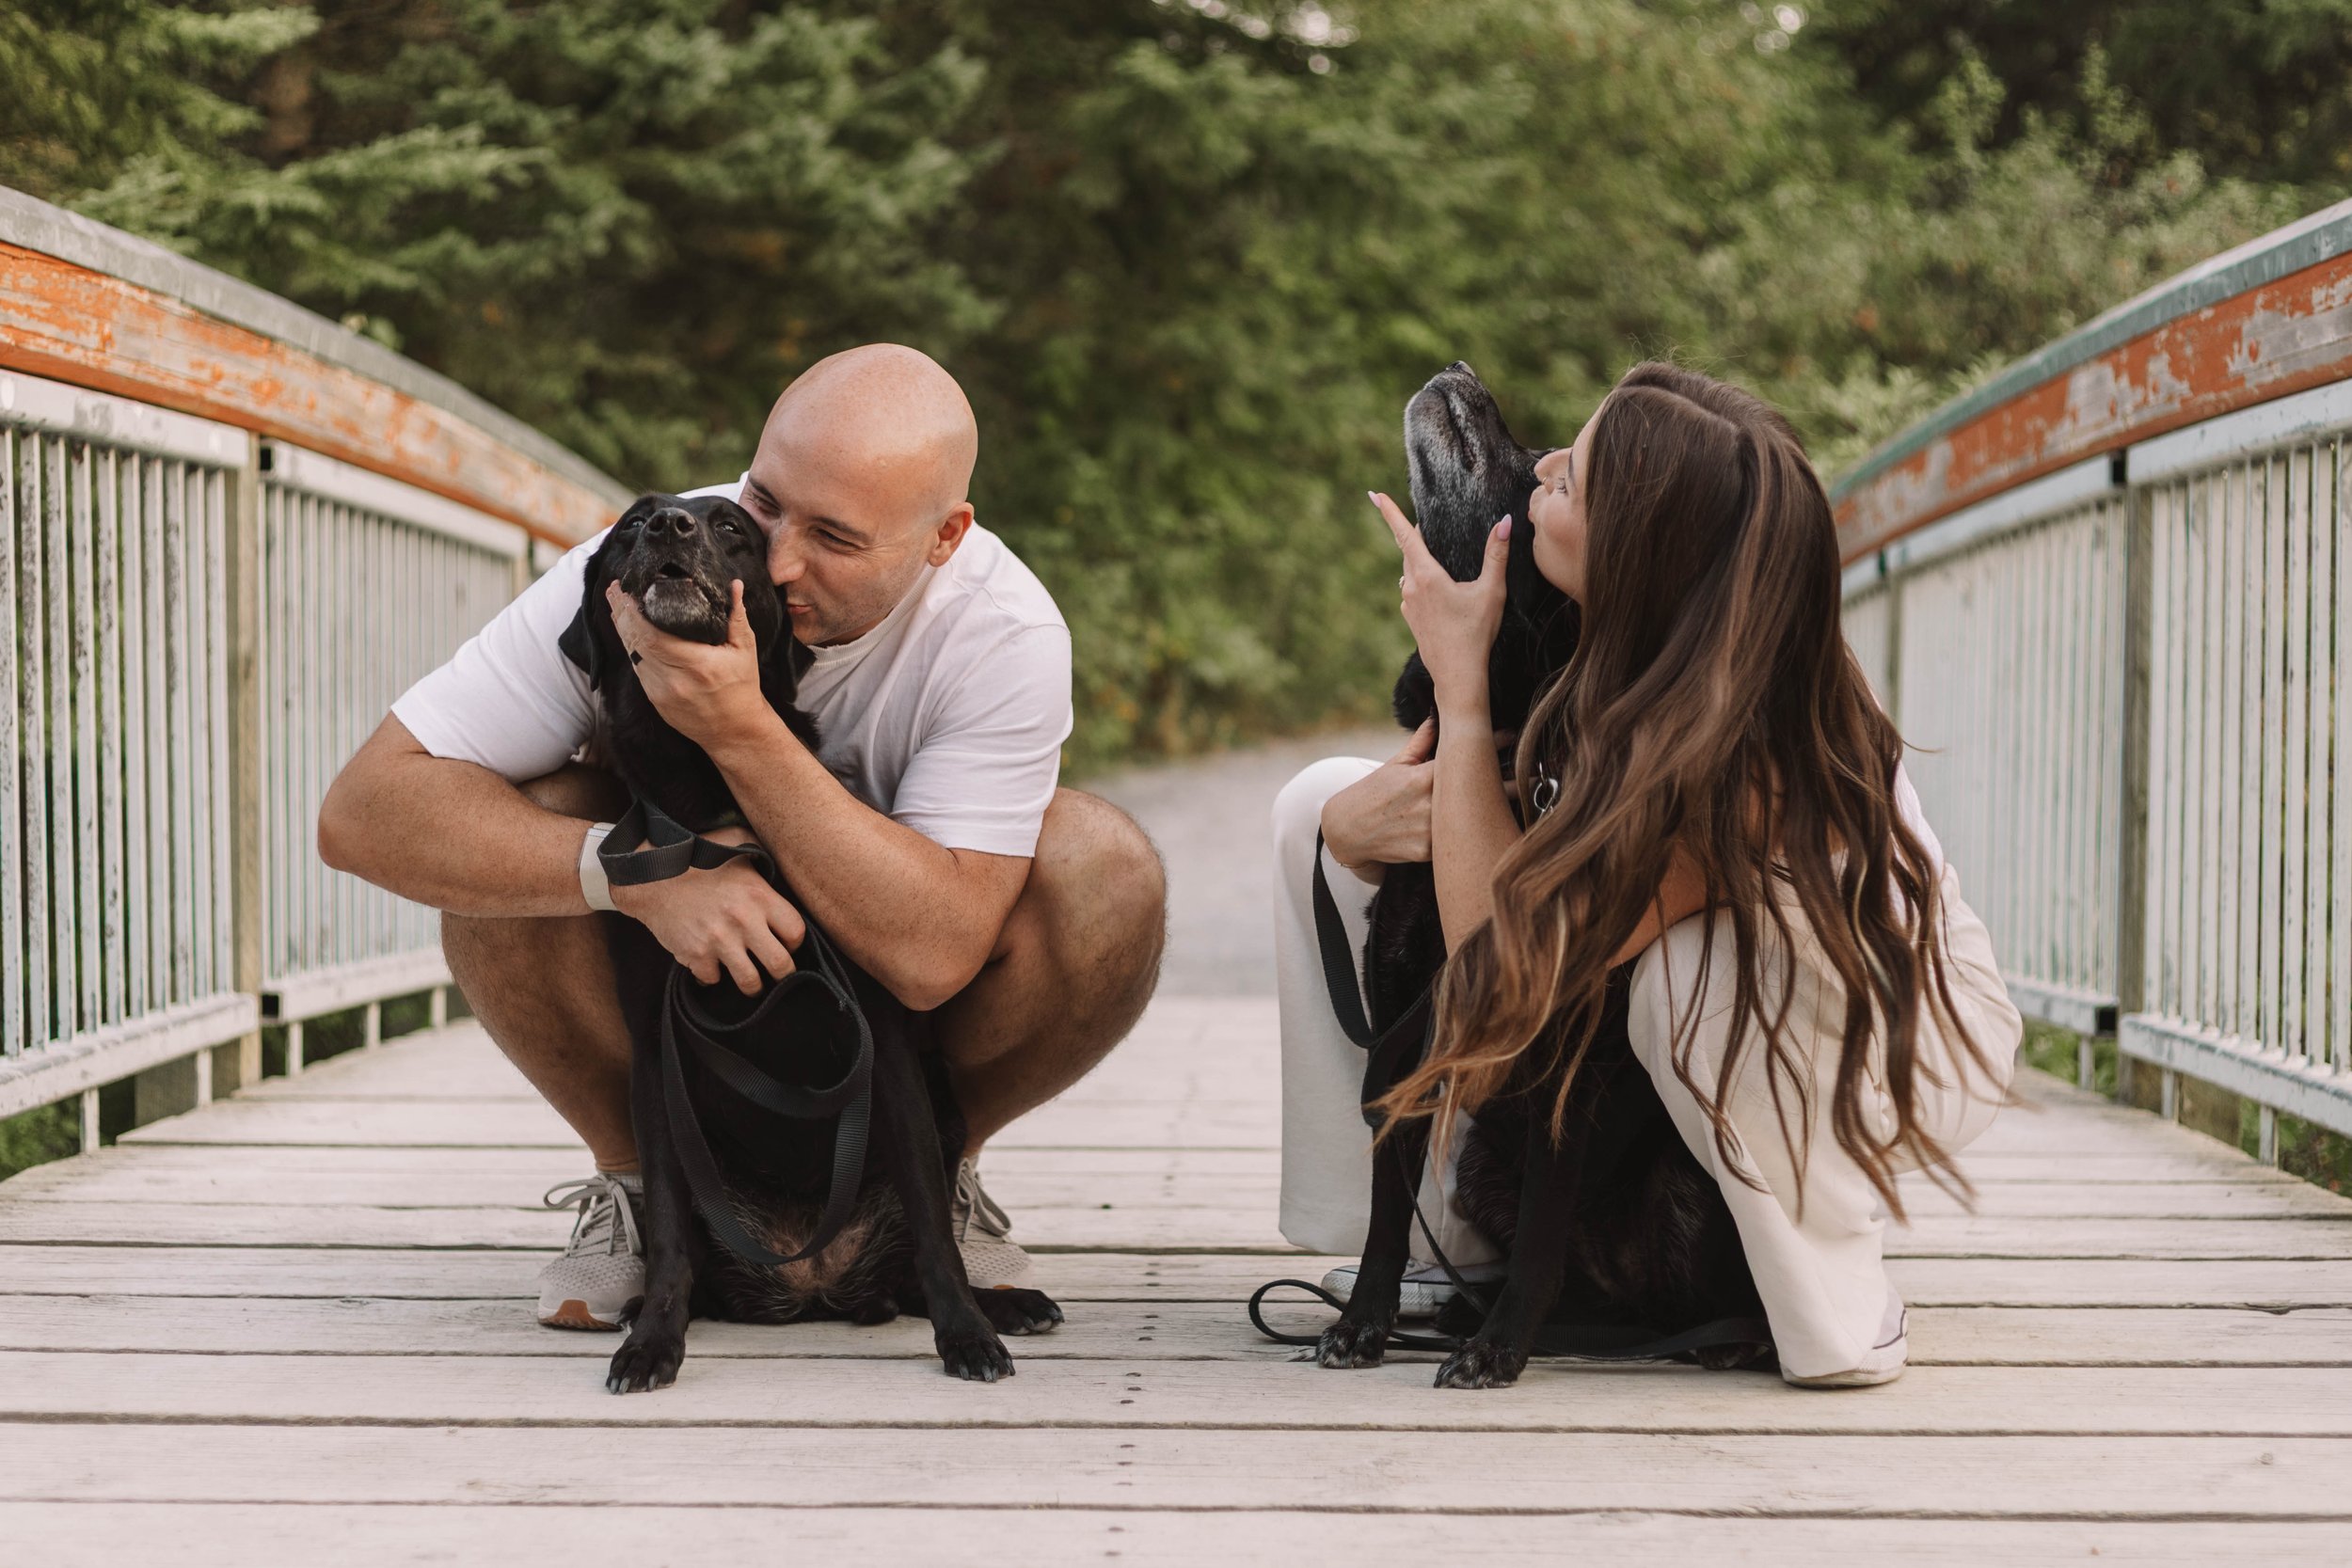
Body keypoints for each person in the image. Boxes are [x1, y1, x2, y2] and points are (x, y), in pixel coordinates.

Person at [320, 343, 1167, 1329]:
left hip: (897, 998)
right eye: (765, 502)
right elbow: (363, 812)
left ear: (944, 537)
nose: (776, 560)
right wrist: (633, 873)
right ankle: (635, 1185)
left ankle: (929, 1177)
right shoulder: (648, 562)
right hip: (670, 973)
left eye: (836, 538)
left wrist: (740, 727)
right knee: (530, 815)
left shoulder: (1002, 633)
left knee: (1101, 861)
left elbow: (935, 955)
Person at [1272, 361, 2020, 1386]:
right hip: (1735, 973)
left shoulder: (1743, 753)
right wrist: (1348, 833)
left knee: (1679, 978)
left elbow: (1507, 962)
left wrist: (1460, 677)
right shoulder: (1635, 632)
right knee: (1316, 800)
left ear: (1638, 555)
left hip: (1898, 1025)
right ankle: (1407, 1236)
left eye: (1569, 479)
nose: (1538, 467)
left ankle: (1831, 1299)